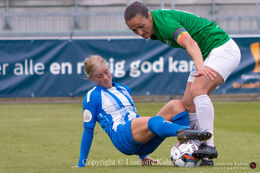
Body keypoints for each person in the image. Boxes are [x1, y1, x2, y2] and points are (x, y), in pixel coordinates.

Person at [124, 1, 241, 165]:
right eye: (134, 30)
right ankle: (204, 155)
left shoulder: (163, 23)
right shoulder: (153, 28)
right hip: (208, 53)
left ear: (149, 15)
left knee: (198, 90)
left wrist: (200, 67)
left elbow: (190, 42)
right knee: (188, 103)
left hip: (223, 49)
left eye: (141, 26)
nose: (140, 32)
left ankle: (208, 145)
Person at [74, 55, 212, 167]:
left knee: (175, 105)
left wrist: (143, 155)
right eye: (99, 76)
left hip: (140, 141)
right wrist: (81, 164)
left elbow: (135, 116)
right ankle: (187, 132)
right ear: (91, 78)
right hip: (122, 136)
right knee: (155, 121)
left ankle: (193, 148)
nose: (105, 77)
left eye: (106, 72)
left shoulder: (124, 89)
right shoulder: (91, 97)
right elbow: (88, 130)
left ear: (109, 68)